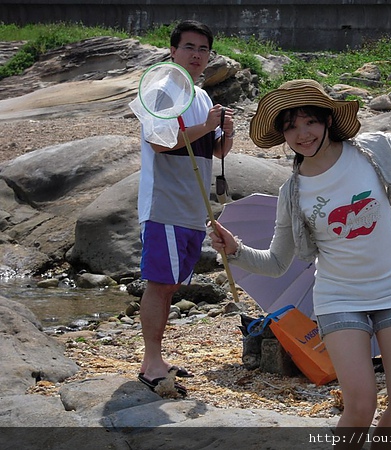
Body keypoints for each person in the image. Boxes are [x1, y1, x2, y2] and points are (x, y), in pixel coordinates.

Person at [211, 43, 391, 446]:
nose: (302, 134)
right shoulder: (292, 194)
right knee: (360, 406)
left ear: (327, 120)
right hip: (340, 298)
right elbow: (278, 262)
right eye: (291, 126)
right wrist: (235, 250)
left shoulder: (371, 150)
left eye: (310, 121)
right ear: (282, 134)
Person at [136, 20, 234, 397]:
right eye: (189, 47)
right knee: (160, 284)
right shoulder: (161, 92)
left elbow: (216, 151)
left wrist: (225, 130)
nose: (196, 55)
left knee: (172, 282)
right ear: (172, 50)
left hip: (193, 204)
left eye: (203, 49)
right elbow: (159, 142)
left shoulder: (201, 96)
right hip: (165, 203)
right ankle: (153, 361)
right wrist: (205, 126)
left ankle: (153, 361)